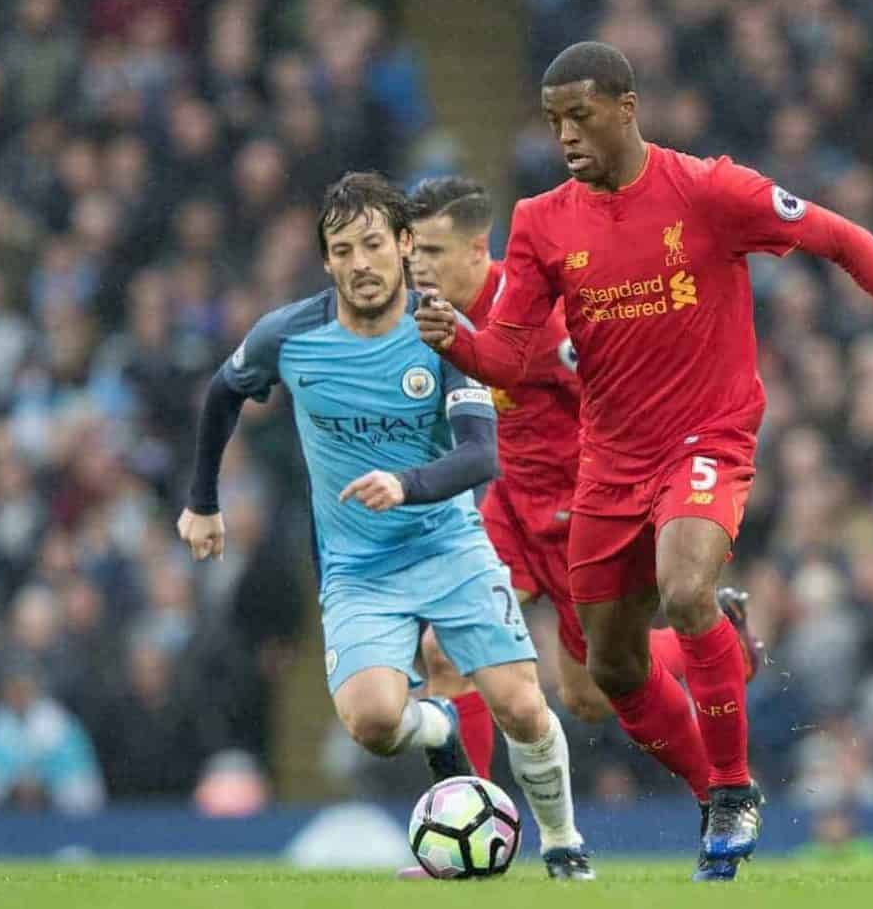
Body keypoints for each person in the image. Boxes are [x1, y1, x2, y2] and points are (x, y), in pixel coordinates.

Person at [416, 42, 873, 881]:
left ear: (627, 106)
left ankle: (735, 783)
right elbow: (511, 357)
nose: (566, 136)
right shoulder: (545, 219)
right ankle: (711, 788)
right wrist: (463, 346)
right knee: (607, 674)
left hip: (707, 434)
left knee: (686, 584)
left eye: (580, 116)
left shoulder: (709, 190)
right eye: (554, 122)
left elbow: (842, 237)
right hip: (610, 460)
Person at [177, 172, 593, 880]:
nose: (361, 263)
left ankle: (561, 842)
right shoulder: (290, 335)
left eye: (374, 243)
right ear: (328, 261)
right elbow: (222, 393)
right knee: (371, 723)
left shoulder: (444, 332)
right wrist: (203, 501)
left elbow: (479, 454)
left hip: (452, 547)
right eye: (344, 250)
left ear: (404, 245)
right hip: (359, 569)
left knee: (523, 705)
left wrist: (405, 484)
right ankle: (437, 726)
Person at [407, 175, 761, 777]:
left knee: (588, 696)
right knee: (445, 650)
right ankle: (473, 816)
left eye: (434, 252)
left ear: (477, 249)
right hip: (510, 507)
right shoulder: (429, 319)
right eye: (412, 250)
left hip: (579, 519)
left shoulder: (538, 324)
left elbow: (622, 402)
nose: (419, 267)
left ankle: (722, 643)